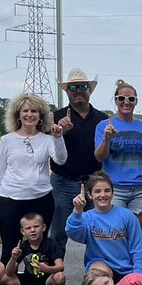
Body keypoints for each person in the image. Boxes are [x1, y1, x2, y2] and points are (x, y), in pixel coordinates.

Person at [0, 92, 67, 285]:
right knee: (10, 248)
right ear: (18, 115)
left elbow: (60, 159)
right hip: (12, 199)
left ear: (41, 116)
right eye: (25, 111)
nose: (29, 115)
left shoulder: (48, 139)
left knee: (40, 246)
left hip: (41, 199)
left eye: (34, 111)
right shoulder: (7, 140)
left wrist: (58, 138)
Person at [50, 69, 108, 258]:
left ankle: (100, 277)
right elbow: (44, 149)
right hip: (63, 182)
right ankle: (52, 280)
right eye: (73, 87)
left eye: (83, 87)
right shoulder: (55, 117)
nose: (78, 91)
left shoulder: (102, 119)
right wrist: (59, 134)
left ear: (90, 90)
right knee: (58, 233)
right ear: (67, 91)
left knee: (99, 231)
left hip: (93, 183)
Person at [94, 79, 142, 230]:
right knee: (115, 234)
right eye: (121, 98)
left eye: (131, 99)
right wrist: (107, 139)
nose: (126, 102)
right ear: (116, 101)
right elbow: (100, 157)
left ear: (136, 102)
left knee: (136, 235)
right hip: (114, 188)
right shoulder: (104, 126)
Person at [65, 171, 142, 281]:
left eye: (107, 191)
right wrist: (77, 211)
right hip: (99, 268)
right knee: (97, 273)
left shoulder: (127, 216)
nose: (103, 195)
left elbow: (136, 246)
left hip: (126, 270)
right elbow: (73, 233)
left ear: (113, 193)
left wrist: (139, 272)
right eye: (97, 191)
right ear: (90, 195)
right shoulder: (87, 217)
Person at [0, 212, 66, 285]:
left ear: (43, 227)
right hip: (29, 280)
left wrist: (48, 269)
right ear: (22, 231)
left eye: (36, 226)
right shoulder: (22, 246)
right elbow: (9, 273)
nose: (33, 230)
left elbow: (60, 267)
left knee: (60, 276)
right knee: (3, 280)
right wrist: (13, 258)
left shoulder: (51, 244)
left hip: (47, 281)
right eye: (28, 228)